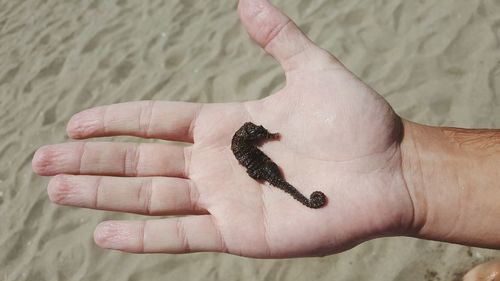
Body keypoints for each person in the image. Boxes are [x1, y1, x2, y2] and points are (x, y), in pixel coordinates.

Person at [31, 0, 500, 259]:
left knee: (277, 176)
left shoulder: (251, 146)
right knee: (277, 177)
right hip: (262, 167)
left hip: (262, 165)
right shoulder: (251, 151)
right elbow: (256, 149)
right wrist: (411, 174)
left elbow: (256, 143)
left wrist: (407, 170)